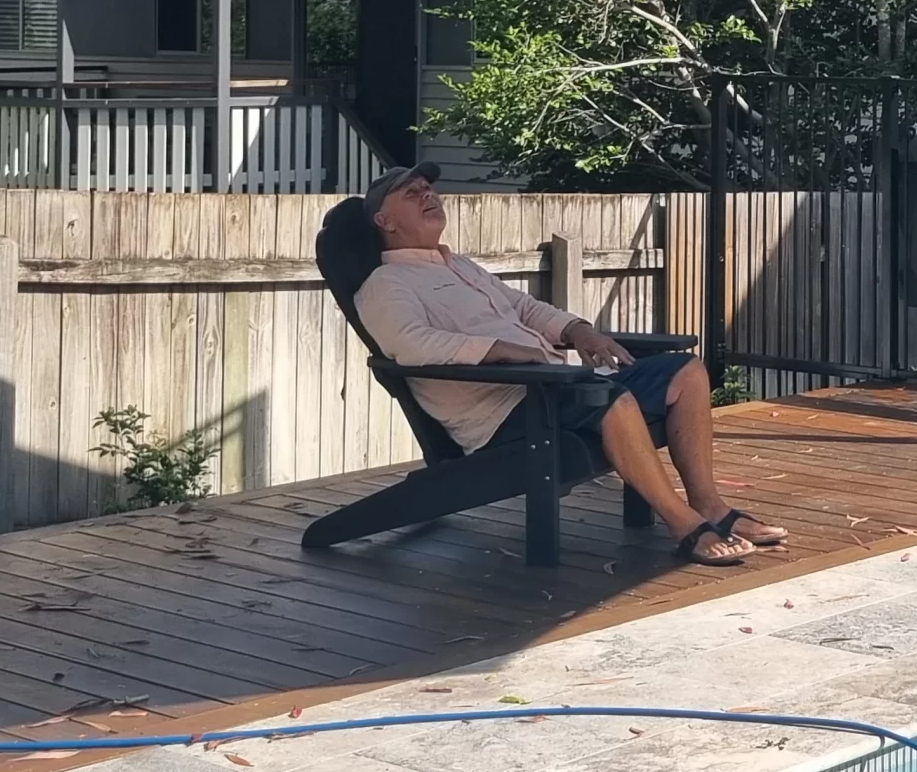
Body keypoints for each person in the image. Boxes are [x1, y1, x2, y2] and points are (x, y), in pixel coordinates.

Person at [333, 163, 787, 565]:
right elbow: (409, 346)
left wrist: (578, 331)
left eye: (428, 189)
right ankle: (683, 524)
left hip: (554, 383)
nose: (428, 195)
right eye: (412, 193)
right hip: (506, 410)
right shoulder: (384, 284)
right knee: (612, 399)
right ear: (384, 221)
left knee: (685, 371)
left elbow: (527, 309)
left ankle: (708, 505)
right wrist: (501, 350)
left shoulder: (460, 266)